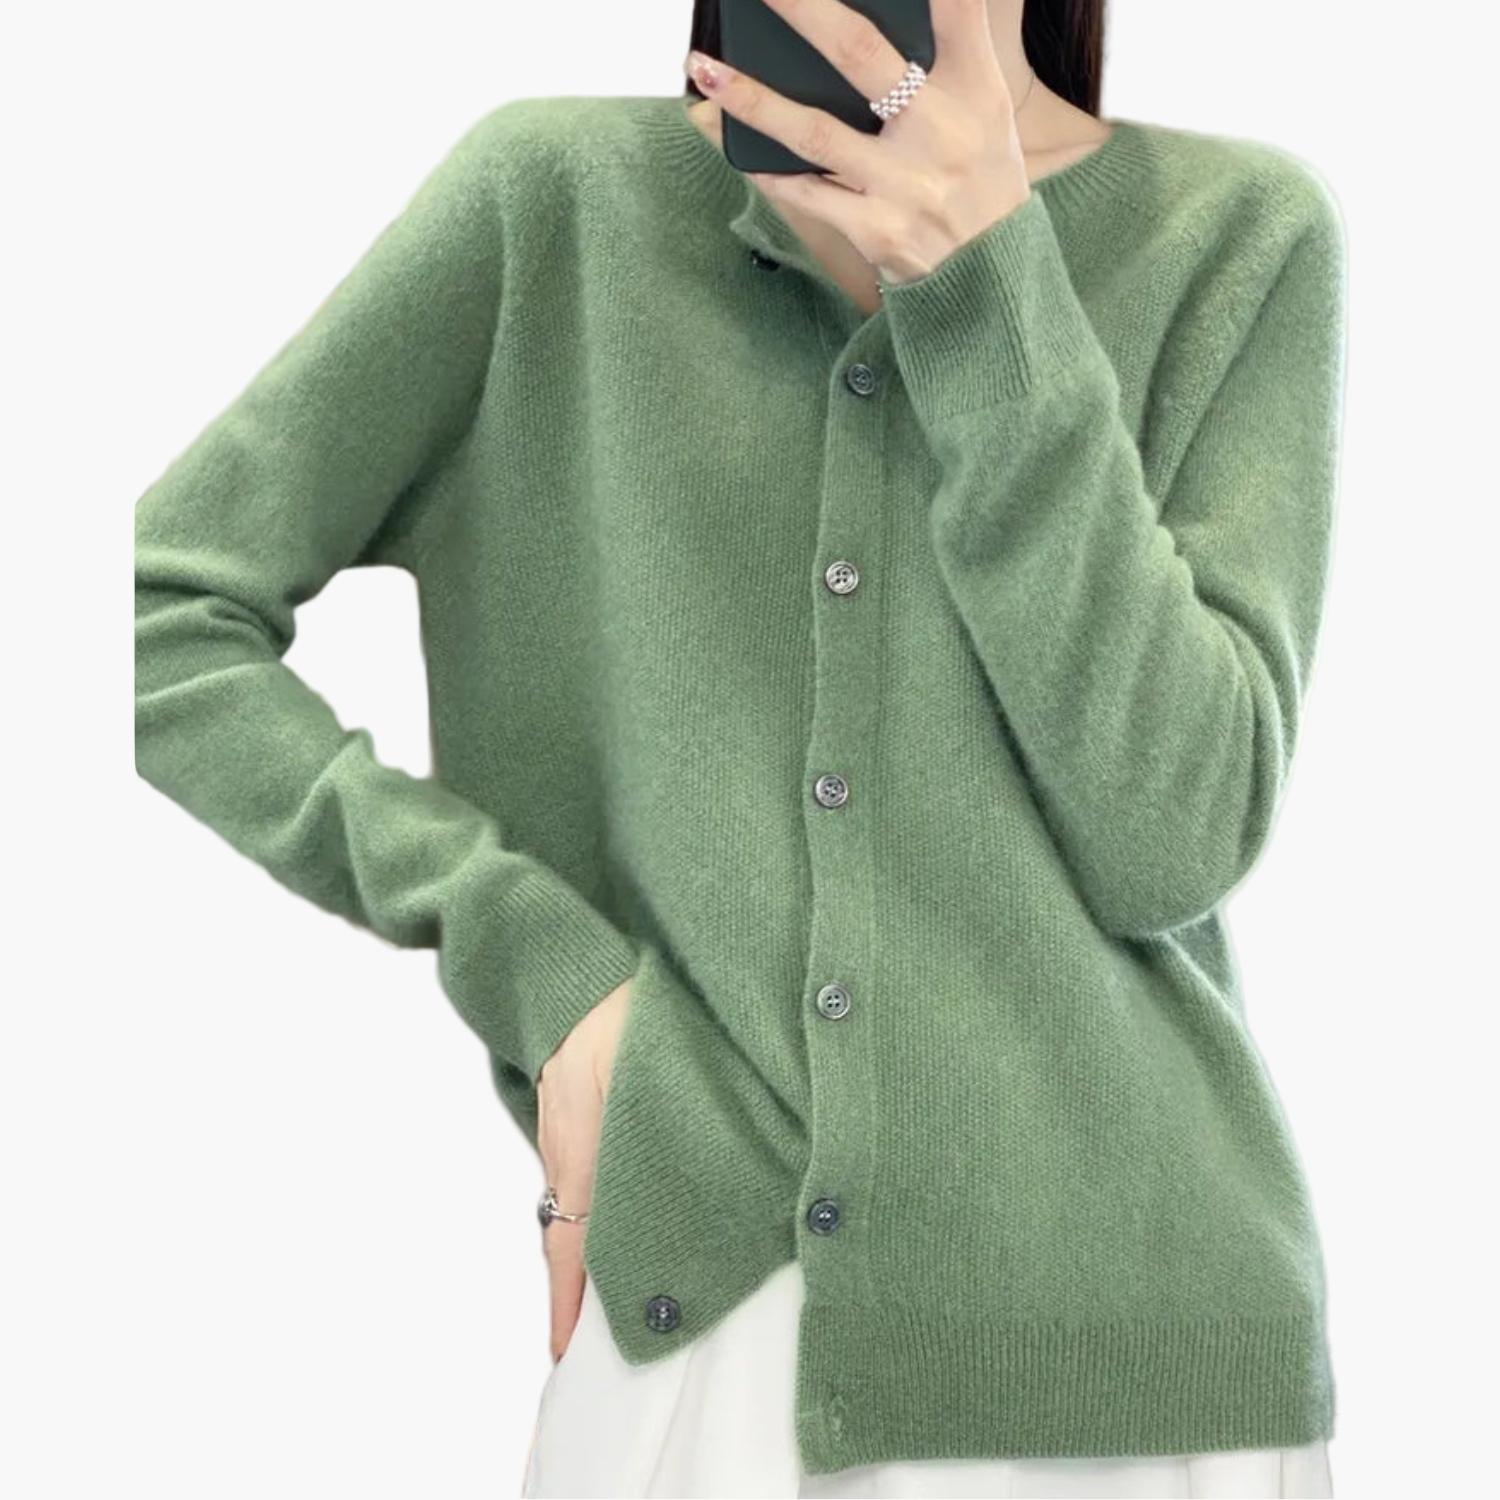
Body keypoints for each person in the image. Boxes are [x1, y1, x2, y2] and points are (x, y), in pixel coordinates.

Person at [134, 1, 1347, 1496]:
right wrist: (540, 968)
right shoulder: (554, 203)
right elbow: (152, 616)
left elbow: (1175, 834)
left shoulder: (1239, 234)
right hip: (711, 1323)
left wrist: (990, 288)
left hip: (1157, 1370)